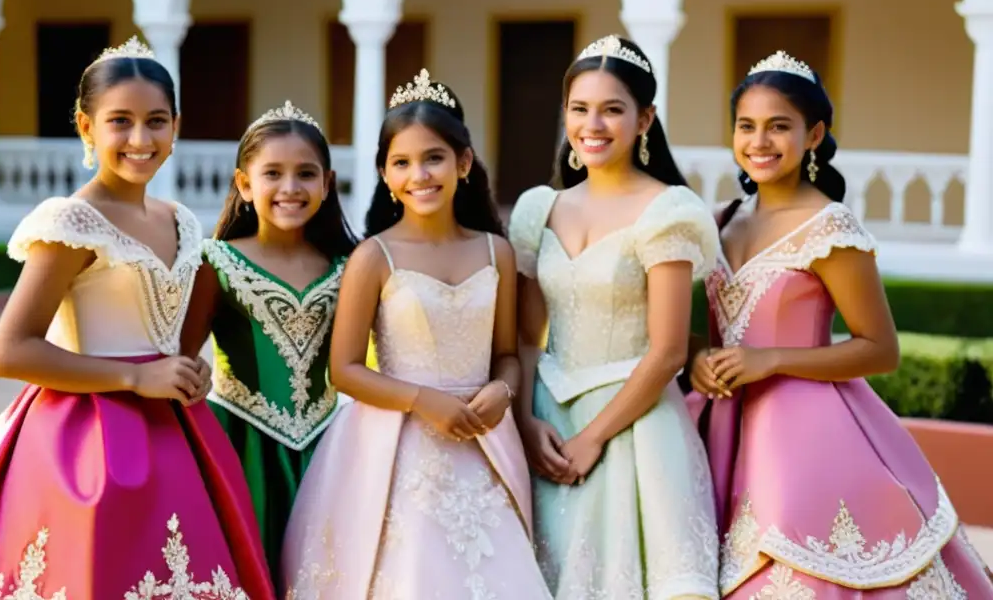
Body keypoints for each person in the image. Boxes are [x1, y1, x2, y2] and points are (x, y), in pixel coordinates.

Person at [0, 37, 274, 599]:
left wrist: (186, 369)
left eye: (156, 121)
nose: (141, 139)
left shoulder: (180, 219)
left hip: (177, 433)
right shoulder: (72, 223)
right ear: (87, 128)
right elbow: (8, 351)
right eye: (121, 121)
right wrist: (135, 377)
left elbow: (162, 326)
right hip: (88, 436)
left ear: (176, 126)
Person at [688, 50, 993, 596]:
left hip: (804, 434)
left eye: (779, 126)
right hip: (720, 428)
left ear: (813, 134)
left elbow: (880, 348)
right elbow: (707, 330)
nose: (759, 141)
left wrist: (772, 359)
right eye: (746, 126)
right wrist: (698, 359)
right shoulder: (720, 220)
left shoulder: (830, 227)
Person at [280, 69, 551, 599]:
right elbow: (345, 371)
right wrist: (424, 401)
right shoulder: (373, 257)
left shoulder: (496, 252)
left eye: (433, 158)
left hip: (483, 440)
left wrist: (504, 389)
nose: (419, 175)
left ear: (463, 163)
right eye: (401, 163)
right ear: (384, 173)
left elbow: (506, 354)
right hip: (397, 447)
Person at [508, 35, 720, 599]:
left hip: (636, 426)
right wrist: (528, 425)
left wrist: (593, 440)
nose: (593, 124)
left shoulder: (668, 211)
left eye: (612, 109)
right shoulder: (537, 210)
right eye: (580, 109)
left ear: (644, 118)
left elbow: (670, 350)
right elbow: (527, 336)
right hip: (549, 417)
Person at [181, 100, 358, 580]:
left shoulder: (349, 267)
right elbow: (179, 357)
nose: (290, 187)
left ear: (327, 183)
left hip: (329, 451)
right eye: (273, 173)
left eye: (305, 174)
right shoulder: (214, 261)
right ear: (244, 183)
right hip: (239, 450)